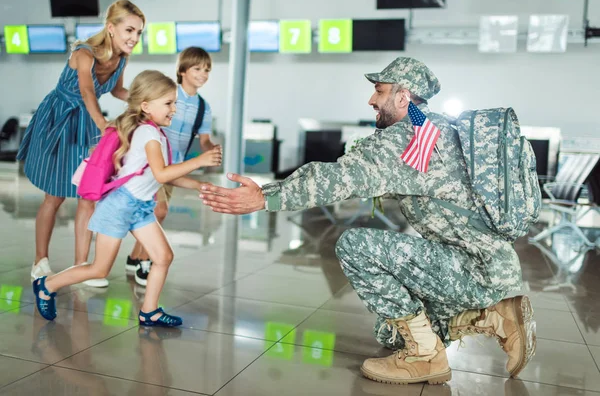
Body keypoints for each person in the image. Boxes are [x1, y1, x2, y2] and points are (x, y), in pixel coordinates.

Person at [198, 57, 539, 385]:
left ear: (403, 96)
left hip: (474, 270)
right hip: (486, 265)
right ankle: (491, 317)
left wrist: (266, 195)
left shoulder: (410, 137)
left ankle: (426, 356)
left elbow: (339, 177)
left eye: (379, 90)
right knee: (389, 332)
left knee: (355, 246)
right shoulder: (441, 128)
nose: (371, 99)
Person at [32, 70, 222, 326]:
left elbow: (164, 176)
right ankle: (47, 285)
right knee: (99, 269)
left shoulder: (154, 132)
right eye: (168, 103)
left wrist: (201, 185)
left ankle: (149, 311)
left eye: (174, 102)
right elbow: (162, 173)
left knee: (163, 257)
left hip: (139, 207)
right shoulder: (148, 134)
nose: (174, 109)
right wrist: (199, 161)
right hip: (119, 207)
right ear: (146, 105)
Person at [17, 0, 145, 288]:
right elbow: (87, 91)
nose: (134, 38)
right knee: (54, 196)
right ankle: (40, 261)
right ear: (111, 28)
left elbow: (117, 90)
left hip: (86, 121)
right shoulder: (85, 52)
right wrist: (101, 123)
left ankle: (81, 265)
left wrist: (144, 100)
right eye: (129, 30)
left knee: (88, 195)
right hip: (59, 118)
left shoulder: (122, 58)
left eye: (138, 33)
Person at [125, 46, 219, 286]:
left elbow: (204, 138)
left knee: (153, 213)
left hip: (174, 166)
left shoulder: (203, 107)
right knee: (159, 211)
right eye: (198, 68)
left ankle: (134, 257)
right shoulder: (167, 93)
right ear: (183, 70)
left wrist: (211, 148)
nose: (203, 74)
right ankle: (145, 264)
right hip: (153, 161)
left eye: (207, 69)